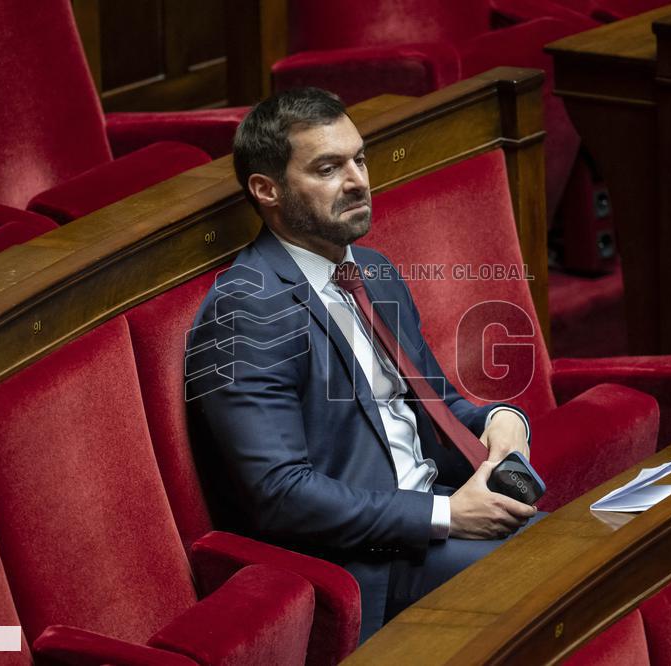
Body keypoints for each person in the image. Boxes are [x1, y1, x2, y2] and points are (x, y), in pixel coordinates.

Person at [186, 87, 542, 641]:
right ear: (267, 189)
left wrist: (502, 423)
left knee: (595, 549)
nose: (357, 181)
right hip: (367, 563)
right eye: (328, 168)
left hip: (436, 514)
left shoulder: (371, 271)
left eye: (360, 159)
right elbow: (279, 493)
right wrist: (447, 518)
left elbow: (437, 404)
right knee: (546, 585)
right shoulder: (246, 307)